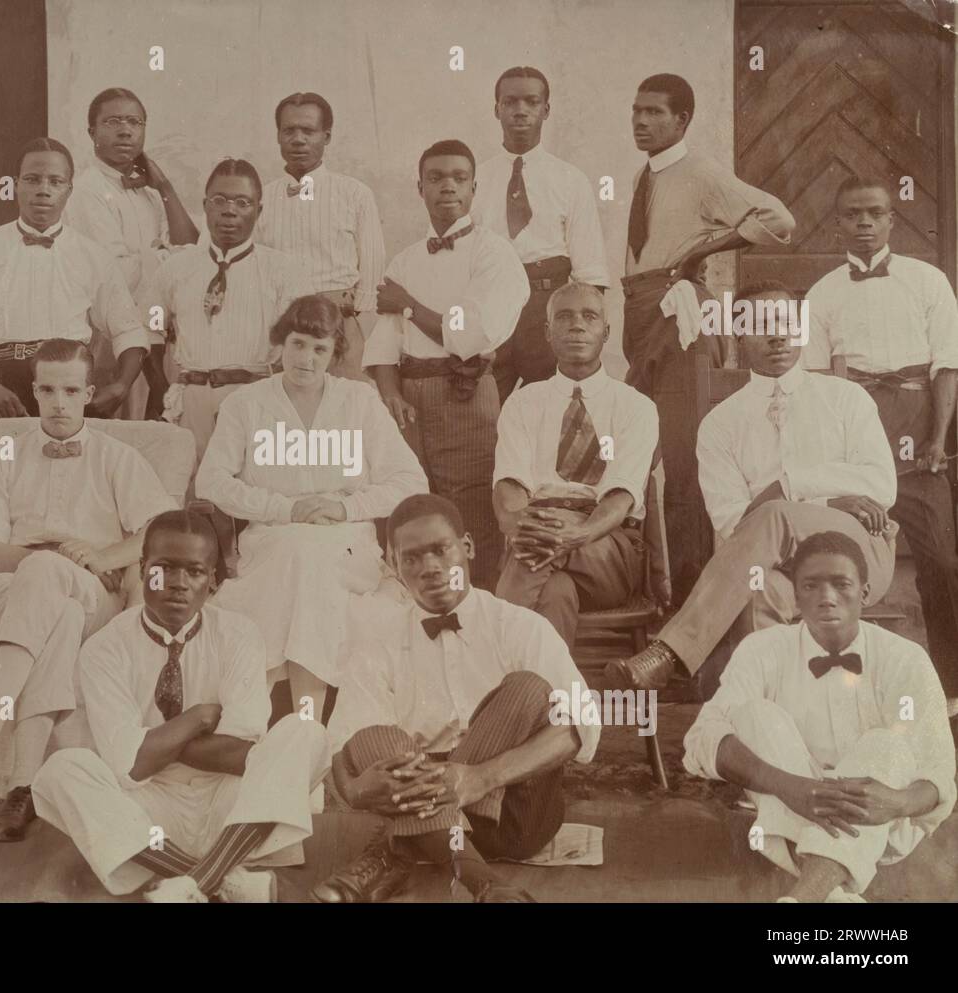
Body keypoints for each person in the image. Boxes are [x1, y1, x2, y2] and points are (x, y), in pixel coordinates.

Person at [0, 338, 175, 842]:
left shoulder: (117, 457)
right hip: (10, 596)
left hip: (94, 594)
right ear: (35, 391)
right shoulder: (6, 456)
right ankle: (23, 790)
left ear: (88, 392)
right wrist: (49, 557)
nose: (58, 402)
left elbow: (160, 533)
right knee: (56, 618)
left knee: (60, 596)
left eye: (70, 390)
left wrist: (104, 558)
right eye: (47, 390)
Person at [607, 281, 897, 696]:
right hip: (772, 567)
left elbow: (881, 487)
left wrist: (787, 486)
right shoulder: (721, 423)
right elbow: (732, 524)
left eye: (785, 322)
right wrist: (831, 499)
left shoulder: (846, 398)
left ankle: (670, 653)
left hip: (859, 551)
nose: (776, 334)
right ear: (736, 335)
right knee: (760, 594)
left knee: (774, 512)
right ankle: (772, 725)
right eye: (760, 324)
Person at [31, 509, 330, 902]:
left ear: (214, 581)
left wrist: (151, 744)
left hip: (234, 806)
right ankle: (223, 879)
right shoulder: (105, 647)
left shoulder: (239, 635)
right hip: (149, 812)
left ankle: (190, 886)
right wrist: (199, 718)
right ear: (141, 569)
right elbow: (131, 766)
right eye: (164, 568)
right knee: (60, 770)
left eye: (194, 572)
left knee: (305, 731)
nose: (177, 584)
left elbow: (240, 754)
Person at [315, 494, 599, 903]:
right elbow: (346, 746)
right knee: (373, 733)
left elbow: (583, 726)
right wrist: (357, 791)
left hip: (510, 810)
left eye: (440, 550)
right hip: (422, 795)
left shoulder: (519, 626)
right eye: (410, 558)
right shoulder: (379, 639)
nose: (429, 568)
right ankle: (483, 882)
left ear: (467, 548)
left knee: (527, 687)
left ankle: (392, 850)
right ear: (394, 568)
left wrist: (479, 778)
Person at [683, 531, 955, 902]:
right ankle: (827, 894)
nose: (827, 598)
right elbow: (702, 739)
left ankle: (808, 895)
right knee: (755, 715)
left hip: (878, 824)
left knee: (886, 744)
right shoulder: (763, 649)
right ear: (796, 597)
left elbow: (938, 772)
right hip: (785, 801)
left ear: (864, 593)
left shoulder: (905, 658)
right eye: (811, 586)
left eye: (841, 584)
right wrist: (789, 786)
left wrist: (896, 802)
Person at [195, 295, 426, 720]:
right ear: (280, 344)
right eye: (298, 344)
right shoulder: (245, 404)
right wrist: (284, 508)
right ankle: (267, 719)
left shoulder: (359, 401)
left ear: (334, 355)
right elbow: (211, 481)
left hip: (348, 542)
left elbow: (411, 482)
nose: (306, 359)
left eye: (320, 350)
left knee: (312, 561)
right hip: (271, 537)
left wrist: (346, 509)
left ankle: (294, 720)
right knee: (298, 559)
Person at [623, 74, 795, 602]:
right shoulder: (646, 176)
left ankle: (696, 602)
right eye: (636, 111)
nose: (641, 121)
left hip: (680, 317)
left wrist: (703, 253)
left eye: (655, 112)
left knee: (683, 459)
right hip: (642, 313)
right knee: (633, 451)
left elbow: (778, 218)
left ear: (683, 121)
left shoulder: (700, 171)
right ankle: (657, 594)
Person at [804, 176, 958, 708]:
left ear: (893, 220)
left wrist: (937, 440)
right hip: (855, 439)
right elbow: (818, 386)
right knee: (836, 561)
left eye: (875, 213)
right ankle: (836, 687)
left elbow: (947, 365)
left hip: (918, 440)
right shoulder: (823, 293)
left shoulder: (927, 280)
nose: (864, 223)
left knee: (942, 562)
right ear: (837, 223)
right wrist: (837, 466)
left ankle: (951, 688)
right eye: (852, 215)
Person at [364, 139, 530, 592]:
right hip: (410, 400)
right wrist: (391, 394)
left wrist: (409, 306)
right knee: (411, 502)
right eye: (435, 178)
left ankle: (477, 608)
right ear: (420, 188)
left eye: (459, 178)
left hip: (466, 394)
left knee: (470, 501)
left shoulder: (493, 254)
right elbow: (383, 344)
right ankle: (415, 610)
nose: (447, 187)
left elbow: (470, 336)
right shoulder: (406, 259)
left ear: (475, 188)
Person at [0, 138, 148, 419]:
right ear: (15, 185)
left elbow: (128, 330)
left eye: (55, 181)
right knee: (6, 462)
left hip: (70, 386)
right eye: (32, 179)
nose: (43, 190)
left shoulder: (93, 255)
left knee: (69, 462)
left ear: (69, 190)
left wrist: (122, 385)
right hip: (3, 390)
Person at [493, 282, 657, 647]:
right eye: (564, 317)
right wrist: (532, 528)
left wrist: (572, 535)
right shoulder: (522, 404)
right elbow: (508, 494)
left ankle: (487, 668)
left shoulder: (635, 406)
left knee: (530, 555)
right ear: (548, 334)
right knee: (555, 592)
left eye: (590, 316)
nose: (577, 326)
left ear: (606, 333)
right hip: (538, 537)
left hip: (606, 547)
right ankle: (552, 696)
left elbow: (619, 499)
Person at [137, 158, 312, 460]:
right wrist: (162, 388)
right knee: (190, 489)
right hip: (190, 402)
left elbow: (300, 346)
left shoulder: (284, 272)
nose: (229, 211)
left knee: (249, 488)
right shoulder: (176, 270)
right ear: (205, 206)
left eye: (242, 202)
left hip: (253, 400)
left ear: (259, 211)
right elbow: (150, 328)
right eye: (219, 200)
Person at [473, 67, 609, 401]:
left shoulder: (570, 179)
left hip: (548, 307)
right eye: (510, 102)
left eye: (531, 102)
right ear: (496, 109)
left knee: (555, 411)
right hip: (493, 306)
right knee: (483, 412)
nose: (520, 110)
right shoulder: (476, 178)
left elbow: (590, 271)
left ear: (546, 109)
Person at [63, 87, 200, 419]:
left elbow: (192, 250)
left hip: (155, 336)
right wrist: (168, 259)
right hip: (111, 338)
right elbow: (115, 275)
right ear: (92, 132)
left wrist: (165, 187)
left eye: (134, 122)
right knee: (119, 433)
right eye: (112, 122)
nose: (125, 130)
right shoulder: (88, 191)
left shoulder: (149, 192)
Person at [256, 92, 385, 383]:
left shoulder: (354, 194)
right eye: (289, 130)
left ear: (326, 137)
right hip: (282, 329)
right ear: (278, 136)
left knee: (343, 413)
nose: (298, 139)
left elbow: (372, 277)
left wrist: (357, 335)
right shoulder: (260, 198)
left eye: (308, 131)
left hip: (339, 328)